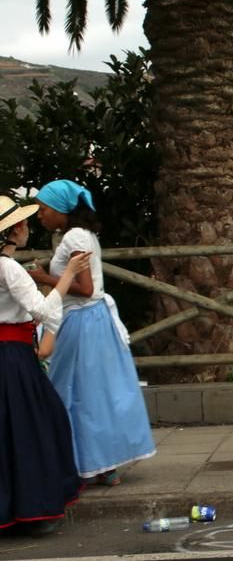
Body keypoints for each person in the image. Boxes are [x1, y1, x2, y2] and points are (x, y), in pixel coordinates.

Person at [29, 180, 156, 486]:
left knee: (73, 391)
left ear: (60, 208)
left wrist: (44, 277)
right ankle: (98, 463)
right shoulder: (82, 235)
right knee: (93, 392)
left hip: (82, 321)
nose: (40, 215)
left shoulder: (74, 237)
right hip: (92, 320)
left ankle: (86, 463)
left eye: (44, 209)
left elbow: (85, 289)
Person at [0, 195, 90, 535]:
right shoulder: (9, 267)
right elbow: (45, 311)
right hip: (13, 357)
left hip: (10, 352)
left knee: (10, 430)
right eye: (22, 223)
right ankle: (32, 510)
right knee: (35, 427)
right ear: (15, 230)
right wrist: (69, 274)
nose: (26, 228)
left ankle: (13, 509)